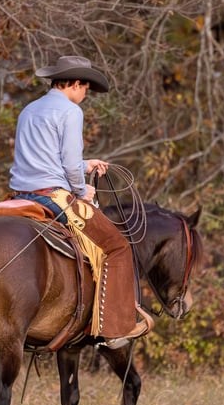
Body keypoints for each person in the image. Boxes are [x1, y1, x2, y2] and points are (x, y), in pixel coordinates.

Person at [9, 55, 152, 348]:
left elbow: (46, 159)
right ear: (74, 83)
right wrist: (81, 189)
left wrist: (87, 165)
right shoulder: (71, 112)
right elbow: (69, 165)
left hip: (20, 195)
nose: (85, 93)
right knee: (117, 246)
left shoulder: (29, 109)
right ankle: (115, 329)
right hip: (52, 196)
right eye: (85, 87)